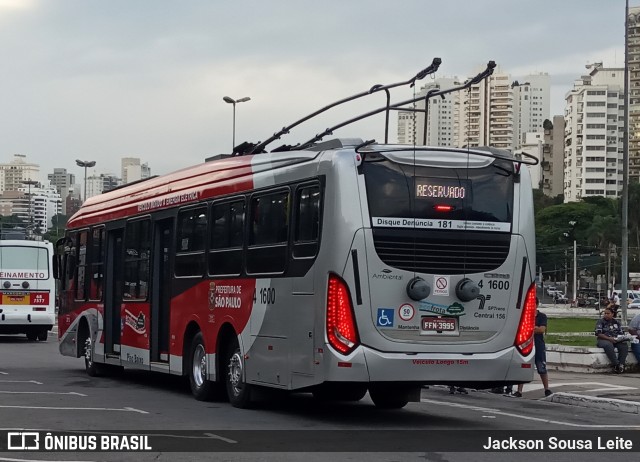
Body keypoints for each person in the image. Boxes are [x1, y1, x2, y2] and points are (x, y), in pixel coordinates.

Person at [513, 298, 552, 397]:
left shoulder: (542, 316)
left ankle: (547, 389)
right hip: (526, 345)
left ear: (537, 305)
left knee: (541, 367)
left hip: (538, 345)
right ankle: (519, 390)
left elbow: (541, 329)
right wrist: (534, 328)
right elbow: (521, 328)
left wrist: (530, 328)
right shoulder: (525, 315)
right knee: (523, 367)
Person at [595, 307, 629, 373]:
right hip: (603, 340)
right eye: (605, 313)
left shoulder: (617, 322)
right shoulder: (600, 322)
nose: (606, 315)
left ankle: (621, 364)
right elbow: (598, 333)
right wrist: (609, 338)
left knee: (624, 346)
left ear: (612, 314)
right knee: (608, 345)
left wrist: (621, 338)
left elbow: (621, 333)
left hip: (616, 339)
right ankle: (616, 364)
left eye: (608, 313)